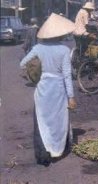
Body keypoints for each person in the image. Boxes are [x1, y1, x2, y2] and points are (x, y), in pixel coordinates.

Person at [20, 13, 77, 166]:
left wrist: (38, 69)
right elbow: (67, 76)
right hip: (58, 90)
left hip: (43, 88)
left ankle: (43, 155)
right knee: (58, 120)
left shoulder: (38, 48)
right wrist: (71, 96)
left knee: (42, 120)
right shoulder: (64, 50)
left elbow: (23, 63)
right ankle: (58, 150)